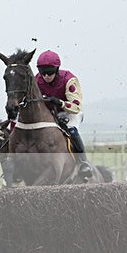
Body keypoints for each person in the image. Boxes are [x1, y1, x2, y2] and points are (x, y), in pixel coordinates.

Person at [35, 50, 93, 180]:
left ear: (57, 69)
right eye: (43, 72)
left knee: (71, 130)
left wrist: (60, 102)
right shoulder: (36, 80)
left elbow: (76, 107)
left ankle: (83, 162)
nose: (46, 76)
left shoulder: (69, 80)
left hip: (69, 112)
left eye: (50, 72)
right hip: (49, 113)